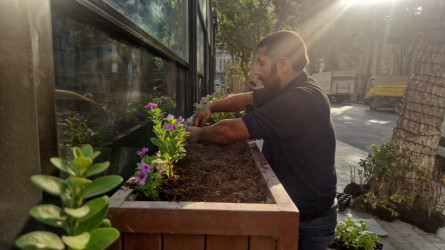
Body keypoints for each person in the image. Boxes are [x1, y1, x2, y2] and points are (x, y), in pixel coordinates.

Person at [187, 30, 337, 249]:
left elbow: (232, 131)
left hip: (308, 223)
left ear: (283, 65)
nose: (256, 71)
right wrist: (210, 106)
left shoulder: (301, 98)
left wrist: (197, 134)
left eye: (261, 63)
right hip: (297, 211)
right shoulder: (286, 87)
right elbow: (245, 99)